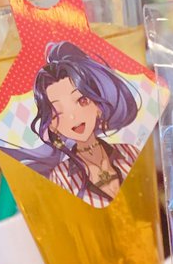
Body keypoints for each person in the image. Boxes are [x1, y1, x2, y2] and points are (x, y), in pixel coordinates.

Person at [24, 41, 141, 207]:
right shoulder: (61, 177)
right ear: (51, 125)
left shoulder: (129, 153)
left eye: (82, 100)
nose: (73, 116)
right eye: (58, 112)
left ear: (98, 105)